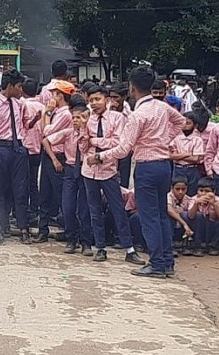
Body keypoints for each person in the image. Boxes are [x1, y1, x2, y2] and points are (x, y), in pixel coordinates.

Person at [88, 66, 185, 278]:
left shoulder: (137, 115)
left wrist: (99, 156)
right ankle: (167, 261)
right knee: (160, 215)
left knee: (149, 217)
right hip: (163, 165)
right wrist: (164, 140)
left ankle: (157, 263)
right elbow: (181, 121)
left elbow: (124, 149)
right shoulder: (161, 107)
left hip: (147, 167)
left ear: (132, 87)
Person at [81, 85, 144, 265]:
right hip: (89, 171)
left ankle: (129, 248)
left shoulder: (117, 118)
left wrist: (94, 141)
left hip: (108, 170)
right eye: (91, 100)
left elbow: (117, 143)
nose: (94, 103)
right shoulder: (88, 119)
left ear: (107, 100)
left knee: (118, 209)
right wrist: (83, 135)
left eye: (97, 99)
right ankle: (100, 247)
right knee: (94, 210)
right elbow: (83, 146)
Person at [0, 69, 32, 243]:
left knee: (20, 190)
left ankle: (23, 227)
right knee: (0, 189)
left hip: (17, 148)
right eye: (18, 86)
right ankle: (3, 226)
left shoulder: (20, 104)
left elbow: (24, 125)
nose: (21, 90)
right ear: (10, 86)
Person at [44, 104, 93, 255]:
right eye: (73, 117)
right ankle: (71, 239)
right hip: (70, 169)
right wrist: (54, 160)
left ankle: (86, 243)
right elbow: (46, 141)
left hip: (86, 169)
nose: (75, 120)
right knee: (68, 206)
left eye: (79, 117)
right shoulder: (67, 133)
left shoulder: (91, 135)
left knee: (85, 208)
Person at [34, 81, 75, 243]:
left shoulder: (64, 114)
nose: (51, 97)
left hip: (58, 156)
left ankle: (68, 230)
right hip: (49, 154)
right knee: (44, 192)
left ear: (60, 95)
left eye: (54, 94)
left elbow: (47, 131)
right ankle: (43, 229)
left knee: (59, 195)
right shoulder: (58, 112)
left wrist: (47, 114)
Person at [21, 78, 44, 226]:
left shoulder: (21, 105)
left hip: (24, 148)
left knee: (22, 182)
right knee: (33, 182)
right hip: (38, 148)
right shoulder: (43, 107)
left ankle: (22, 213)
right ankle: (34, 210)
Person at [187, 177, 219, 256]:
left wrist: (214, 204)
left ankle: (212, 246)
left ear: (214, 192)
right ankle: (198, 246)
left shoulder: (218, 200)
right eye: (201, 191)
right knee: (198, 216)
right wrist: (196, 204)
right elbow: (190, 216)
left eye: (207, 191)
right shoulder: (194, 199)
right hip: (198, 228)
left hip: (211, 227)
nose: (203, 194)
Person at [169, 111, 204, 196]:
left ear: (195, 126)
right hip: (178, 169)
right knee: (177, 194)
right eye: (183, 123)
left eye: (188, 123)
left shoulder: (197, 140)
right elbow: (171, 156)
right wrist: (188, 154)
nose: (185, 125)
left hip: (192, 170)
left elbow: (196, 159)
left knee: (192, 193)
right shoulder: (176, 139)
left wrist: (179, 156)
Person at [108, 83, 132, 188]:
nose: (113, 100)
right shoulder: (106, 110)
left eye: (116, 97)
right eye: (111, 97)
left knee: (124, 178)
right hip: (109, 148)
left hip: (124, 149)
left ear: (124, 97)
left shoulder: (129, 113)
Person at [166, 177, 194, 256]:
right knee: (170, 216)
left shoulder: (189, 199)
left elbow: (191, 214)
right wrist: (185, 224)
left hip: (182, 229)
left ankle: (186, 245)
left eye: (183, 189)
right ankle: (170, 246)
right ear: (172, 188)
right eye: (177, 189)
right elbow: (169, 210)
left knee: (186, 215)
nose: (180, 192)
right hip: (172, 225)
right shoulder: (168, 196)